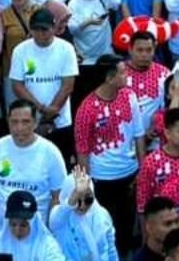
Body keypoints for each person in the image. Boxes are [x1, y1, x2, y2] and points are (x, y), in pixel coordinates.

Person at [74, 53, 146, 256]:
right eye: (123, 73)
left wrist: (143, 169)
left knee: (126, 227)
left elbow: (139, 134)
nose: (127, 77)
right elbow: (82, 150)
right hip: (103, 179)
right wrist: (86, 185)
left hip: (130, 174)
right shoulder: (86, 109)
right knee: (106, 227)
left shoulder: (129, 96)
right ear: (109, 77)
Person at [0, 100, 67, 249]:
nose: (19, 128)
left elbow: (58, 197)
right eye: (14, 122)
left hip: (35, 234)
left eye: (25, 122)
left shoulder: (51, 153)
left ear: (35, 123)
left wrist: (50, 232)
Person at [8, 7, 77, 154]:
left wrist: (53, 109)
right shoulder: (20, 50)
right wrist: (39, 108)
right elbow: (17, 85)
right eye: (36, 30)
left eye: (44, 30)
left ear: (54, 28)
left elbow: (68, 85)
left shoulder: (66, 49)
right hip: (31, 120)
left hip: (61, 119)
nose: (40, 34)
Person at [48, 167, 119, 261]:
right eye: (77, 200)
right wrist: (76, 193)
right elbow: (54, 222)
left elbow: (111, 249)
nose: (82, 206)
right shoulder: (61, 219)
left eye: (88, 200)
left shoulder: (102, 215)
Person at [0, 191, 65, 261]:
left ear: (34, 223)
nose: (17, 230)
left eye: (23, 225)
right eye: (13, 225)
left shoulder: (47, 246)